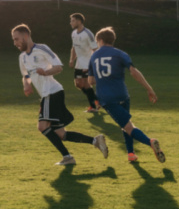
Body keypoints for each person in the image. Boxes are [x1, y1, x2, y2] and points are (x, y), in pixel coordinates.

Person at [12, 24, 108, 166]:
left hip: (52, 92)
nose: (15, 43)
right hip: (47, 95)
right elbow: (25, 75)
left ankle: (67, 157)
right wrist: (26, 84)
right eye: (13, 40)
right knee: (60, 133)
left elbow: (58, 67)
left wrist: (46, 72)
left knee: (42, 126)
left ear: (26, 36)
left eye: (16, 39)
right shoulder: (22, 57)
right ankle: (95, 141)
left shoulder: (41, 49)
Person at [88, 27, 165, 164]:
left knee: (128, 127)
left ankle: (150, 142)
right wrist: (149, 89)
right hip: (122, 95)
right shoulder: (120, 53)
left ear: (100, 40)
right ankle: (131, 154)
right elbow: (134, 72)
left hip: (107, 98)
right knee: (126, 125)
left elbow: (91, 81)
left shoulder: (93, 56)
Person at [68, 13, 102, 113]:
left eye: (73, 21)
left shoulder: (88, 34)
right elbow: (74, 47)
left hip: (88, 63)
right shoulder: (74, 33)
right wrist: (71, 60)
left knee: (86, 84)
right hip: (79, 62)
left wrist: (92, 65)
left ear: (79, 21)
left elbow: (95, 50)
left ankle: (93, 107)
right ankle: (97, 100)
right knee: (78, 84)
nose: (71, 23)